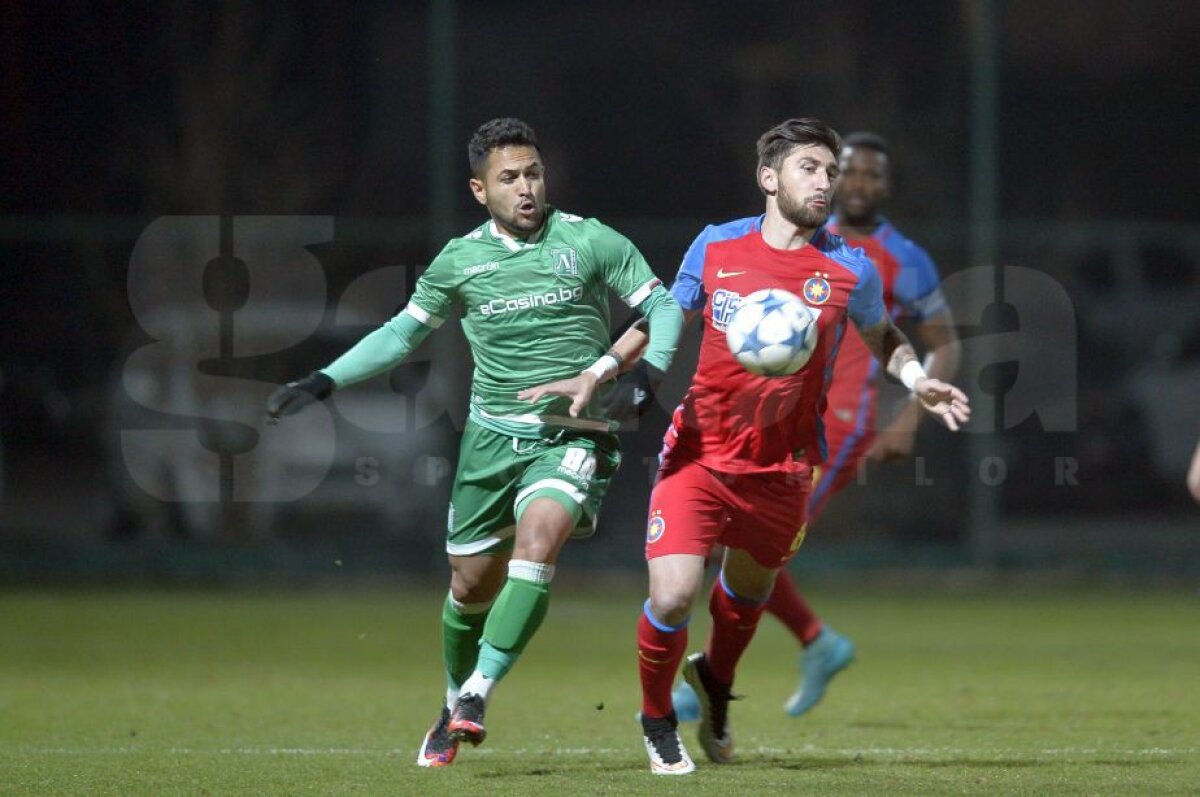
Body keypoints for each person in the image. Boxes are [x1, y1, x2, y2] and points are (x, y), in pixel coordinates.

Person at [531, 118, 970, 774]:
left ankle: (714, 684)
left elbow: (882, 336)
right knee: (676, 595)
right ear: (769, 178)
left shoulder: (849, 267)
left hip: (786, 466)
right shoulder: (716, 246)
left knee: (745, 595)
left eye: (829, 169)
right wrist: (600, 372)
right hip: (700, 453)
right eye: (810, 168)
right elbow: (662, 318)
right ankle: (657, 719)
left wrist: (917, 380)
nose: (825, 182)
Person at [264, 117, 683, 768]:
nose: (526, 188)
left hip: (571, 434)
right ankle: (453, 695)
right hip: (489, 440)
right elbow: (401, 335)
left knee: (540, 538)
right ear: (478, 189)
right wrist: (324, 379)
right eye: (509, 178)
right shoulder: (461, 260)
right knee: (467, 587)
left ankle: (478, 693)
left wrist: (645, 376)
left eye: (533, 173)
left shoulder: (590, 240)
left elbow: (663, 307)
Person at [667, 131, 962, 721]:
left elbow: (940, 344)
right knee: (742, 549)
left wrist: (906, 419)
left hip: (838, 424)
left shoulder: (893, 259)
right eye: (841, 170)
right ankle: (813, 644)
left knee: (752, 548)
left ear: (885, 186)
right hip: (753, 424)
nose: (851, 183)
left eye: (868, 175)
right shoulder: (777, 240)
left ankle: (719, 679)